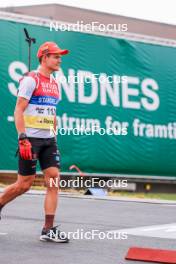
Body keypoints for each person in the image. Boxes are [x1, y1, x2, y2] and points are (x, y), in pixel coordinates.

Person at [0, 41, 69, 243]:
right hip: (30, 140)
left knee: (54, 180)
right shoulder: (31, 80)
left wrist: (54, 135)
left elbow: (52, 112)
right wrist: (23, 138)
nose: (59, 59)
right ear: (44, 57)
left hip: (49, 140)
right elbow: (18, 110)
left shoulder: (56, 85)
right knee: (24, 185)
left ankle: (48, 229)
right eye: (56, 56)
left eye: (60, 56)